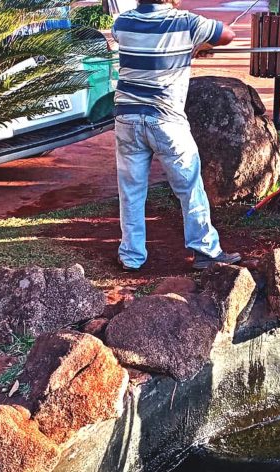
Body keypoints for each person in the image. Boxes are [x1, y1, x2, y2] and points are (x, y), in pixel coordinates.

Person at [112, 0, 241, 271]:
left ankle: (131, 257)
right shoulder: (186, 22)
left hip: (127, 117)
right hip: (166, 120)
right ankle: (205, 250)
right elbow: (227, 34)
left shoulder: (122, 23)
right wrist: (197, 45)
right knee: (189, 187)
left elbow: (145, 47)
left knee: (131, 192)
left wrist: (187, 47)